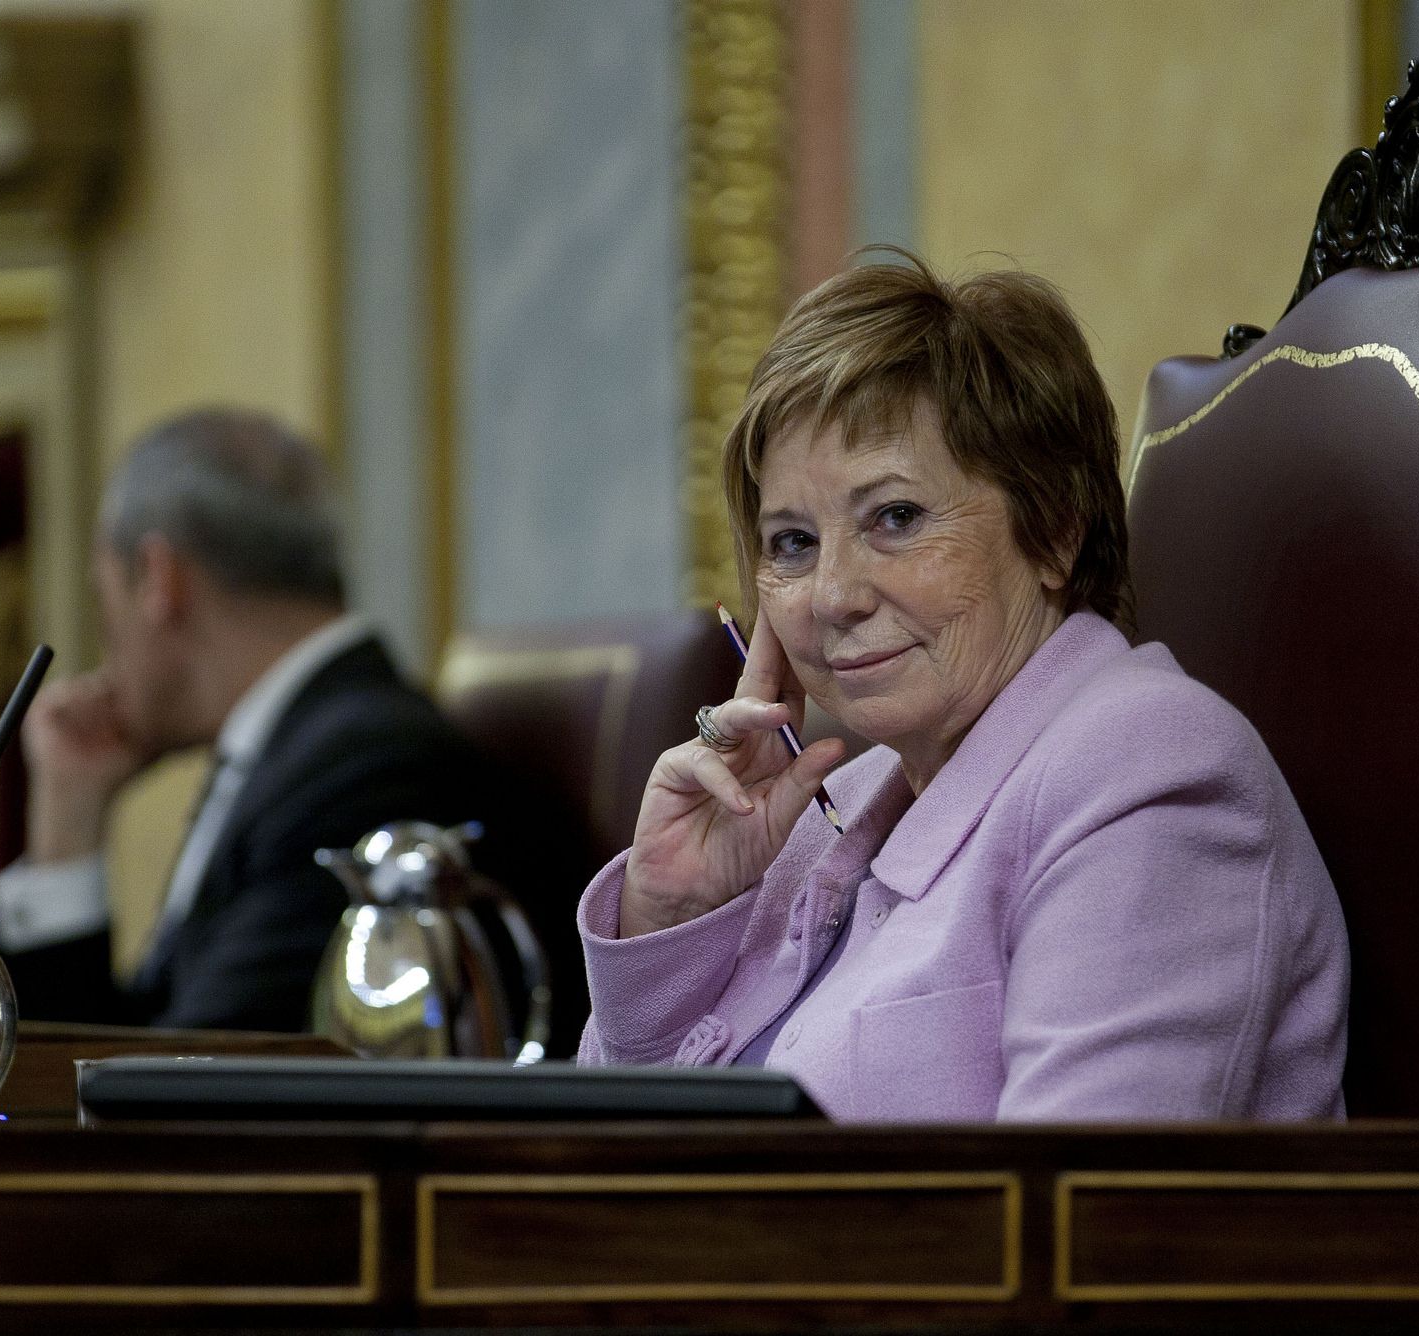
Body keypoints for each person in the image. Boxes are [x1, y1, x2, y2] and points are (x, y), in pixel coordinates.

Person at [575, 255, 1349, 1121]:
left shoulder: (1151, 775)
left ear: (1054, 529)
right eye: (791, 542)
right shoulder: (829, 804)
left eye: (895, 519)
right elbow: (612, 1166)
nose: (833, 595)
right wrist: (669, 917)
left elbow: (1073, 1217)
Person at [0, 408, 575, 1038]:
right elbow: (127, 1052)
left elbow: (196, 1078)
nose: (106, 655)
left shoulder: (366, 766)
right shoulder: (301, 746)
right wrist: (68, 819)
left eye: (104, 605)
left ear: (162, 581)